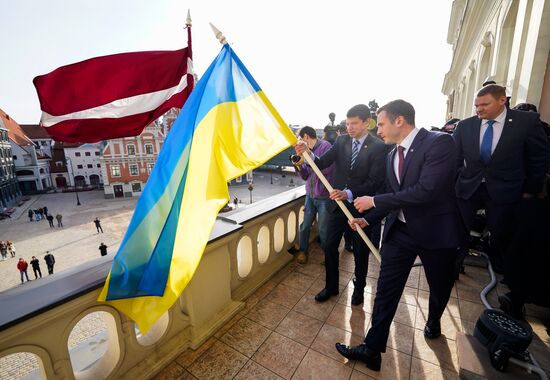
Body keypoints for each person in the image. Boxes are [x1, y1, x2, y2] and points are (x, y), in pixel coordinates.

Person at [335, 100, 463, 371]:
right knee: (386, 291)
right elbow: (393, 200)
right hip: (401, 233)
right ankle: (372, 349)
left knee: (439, 285)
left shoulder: (440, 143)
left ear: (399, 121)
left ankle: (435, 318)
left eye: (380, 124)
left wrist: (373, 201)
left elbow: (425, 191)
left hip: (435, 233)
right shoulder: (393, 155)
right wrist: (366, 219)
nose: (377, 129)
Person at [453, 85, 550, 277]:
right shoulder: (465, 126)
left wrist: (530, 189)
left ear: (502, 100)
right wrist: (456, 180)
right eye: (476, 105)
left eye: (484, 104)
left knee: (501, 234)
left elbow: (539, 157)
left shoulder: (526, 122)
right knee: (457, 231)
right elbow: (453, 158)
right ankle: (454, 268)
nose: (479, 109)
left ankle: (506, 277)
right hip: (469, 187)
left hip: (505, 190)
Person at [295, 104, 387, 306]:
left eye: (354, 123)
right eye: (347, 123)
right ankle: (331, 286)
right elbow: (322, 162)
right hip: (336, 208)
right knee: (329, 246)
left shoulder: (379, 147)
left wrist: (349, 193)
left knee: (361, 252)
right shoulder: (342, 141)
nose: (349, 127)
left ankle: (359, 289)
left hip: (360, 208)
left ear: (366, 123)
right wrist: (307, 153)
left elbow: (375, 181)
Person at [293, 126, 335, 264]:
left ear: (305, 137)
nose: (299, 143)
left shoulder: (325, 146)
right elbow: (305, 176)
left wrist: (308, 160)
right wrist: (299, 165)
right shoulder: (305, 152)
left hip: (324, 197)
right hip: (310, 196)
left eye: (300, 139)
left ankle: (328, 255)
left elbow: (326, 170)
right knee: (305, 226)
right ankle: (303, 251)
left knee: (324, 229)